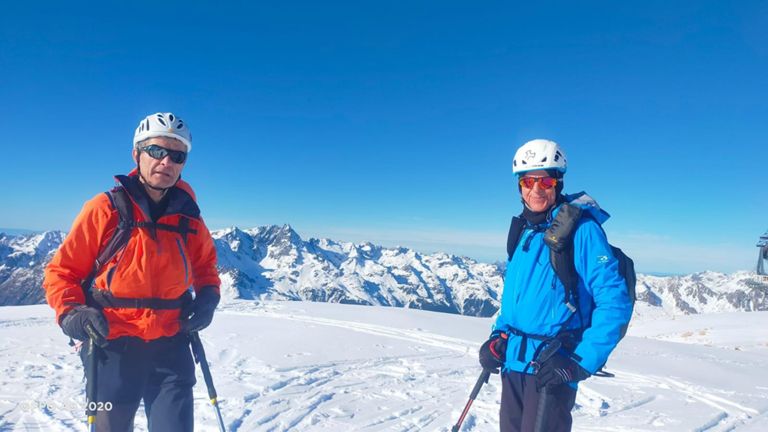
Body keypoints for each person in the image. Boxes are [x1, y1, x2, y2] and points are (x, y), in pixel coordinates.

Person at [43, 112, 221, 431]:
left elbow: (206, 266)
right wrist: (72, 314)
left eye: (177, 155)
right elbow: (62, 271)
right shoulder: (105, 209)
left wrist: (208, 297)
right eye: (156, 151)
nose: (166, 161)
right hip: (112, 341)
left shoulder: (190, 217)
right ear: (136, 153)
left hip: (172, 341)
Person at [478, 139, 633, 432]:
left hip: (553, 367)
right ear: (519, 186)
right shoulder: (524, 233)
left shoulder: (582, 231)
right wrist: (497, 337)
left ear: (557, 183)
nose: (536, 189)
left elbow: (614, 302)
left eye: (545, 180)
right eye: (528, 181)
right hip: (513, 365)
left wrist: (579, 361)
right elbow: (513, 301)